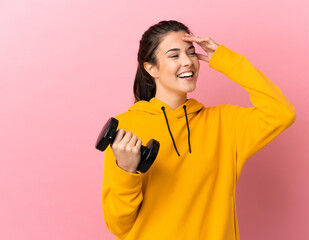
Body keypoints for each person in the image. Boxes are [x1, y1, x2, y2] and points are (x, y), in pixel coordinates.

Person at [101, 20, 296, 240]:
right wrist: (126, 171)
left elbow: (282, 113)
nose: (187, 61)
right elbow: (117, 225)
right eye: (174, 55)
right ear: (151, 68)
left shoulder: (224, 123)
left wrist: (226, 60)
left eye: (191, 52)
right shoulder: (126, 128)